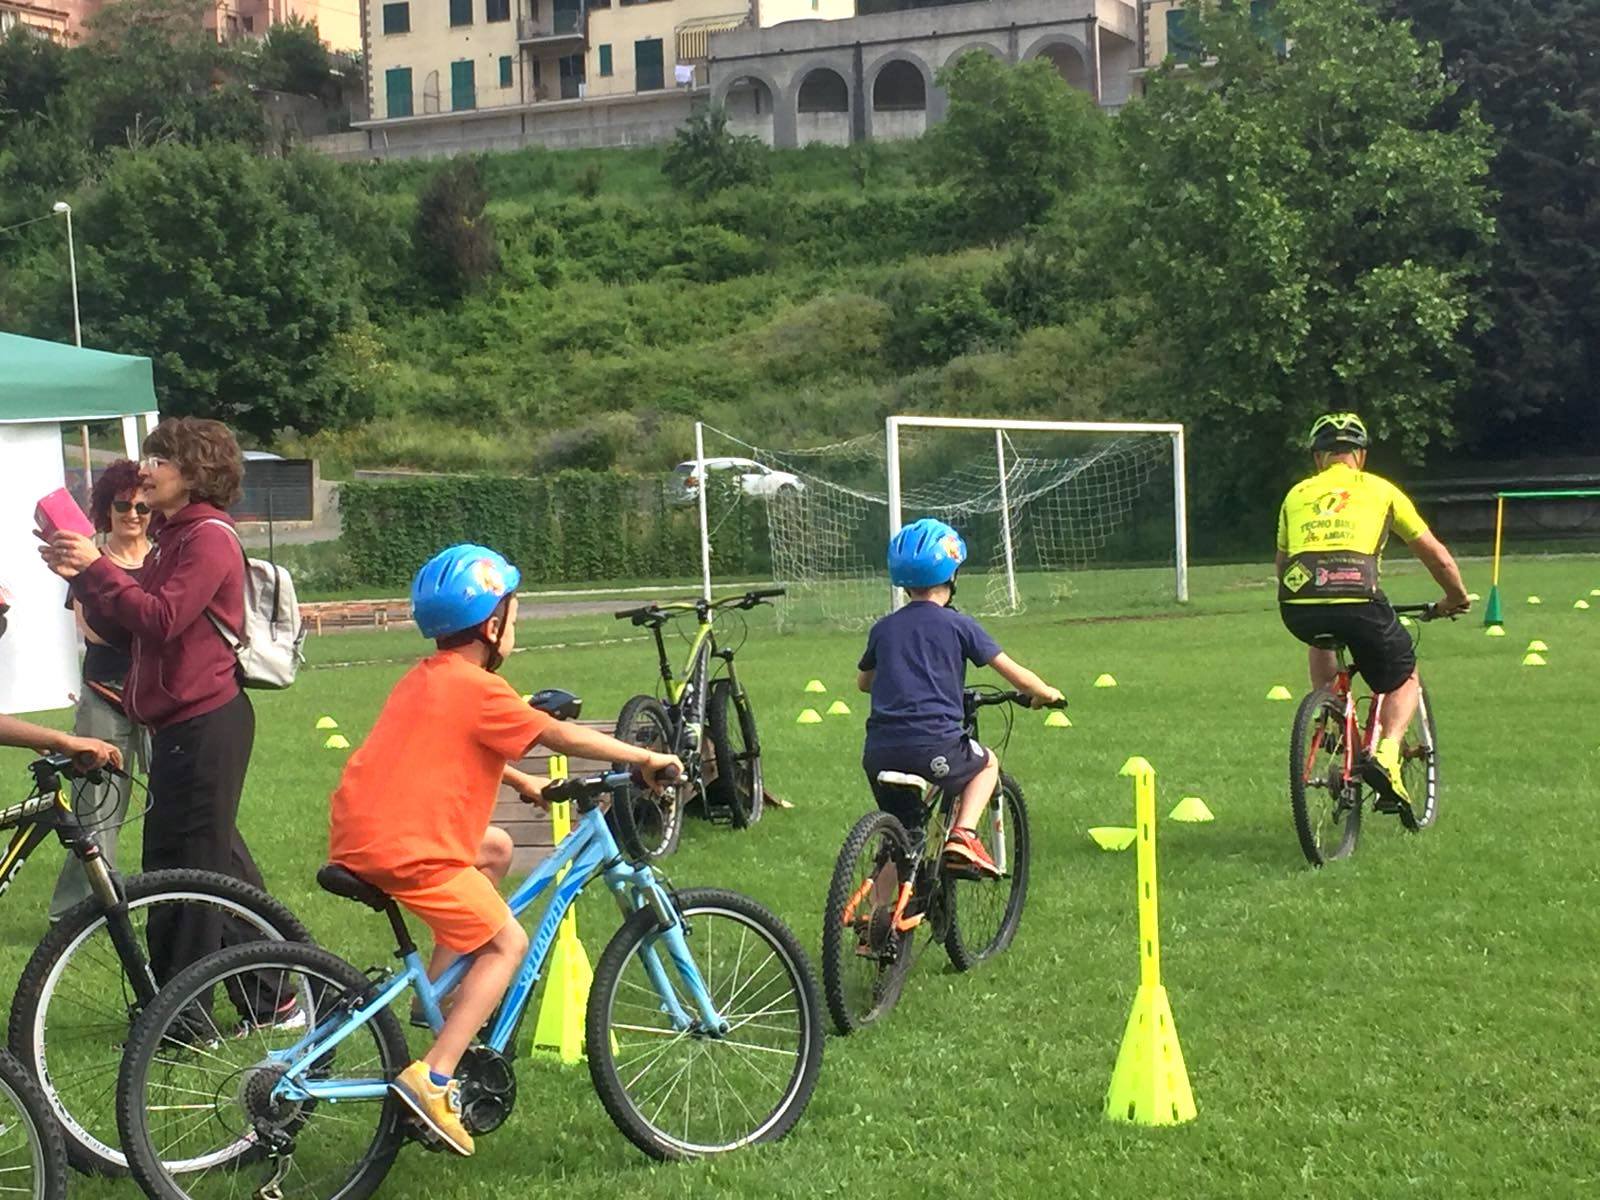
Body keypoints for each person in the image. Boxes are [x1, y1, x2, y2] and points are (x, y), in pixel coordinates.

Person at [328, 543, 682, 1157]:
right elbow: (555, 732)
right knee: (507, 943)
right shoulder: (481, 689)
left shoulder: (428, 678)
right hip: (412, 849)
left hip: (365, 833)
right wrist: (646, 757)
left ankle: (434, 993)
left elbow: (457, 743)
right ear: (492, 627)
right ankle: (434, 1078)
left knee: (492, 847)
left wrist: (525, 784)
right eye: (512, 615)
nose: (512, 626)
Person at [40, 418, 284, 1018]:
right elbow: (132, 621)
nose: (145, 470)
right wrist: (86, 578)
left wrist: (98, 568)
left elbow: (162, 618)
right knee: (204, 867)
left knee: (190, 879)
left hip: (207, 723)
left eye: (159, 461)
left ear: (194, 473)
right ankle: (274, 996)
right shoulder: (177, 536)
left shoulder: (208, 539)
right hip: (181, 727)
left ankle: (180, 1013)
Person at [1276, 412, 1471, 804]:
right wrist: (1456, 597)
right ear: (1360, 455)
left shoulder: (1295, 495)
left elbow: (1282, 564)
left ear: (1318, 458)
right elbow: (1436, 556)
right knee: (1403, 674)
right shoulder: (1381, 490)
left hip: (1297, 605)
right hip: (1360, 600)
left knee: (1323, 638)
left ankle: (1332, 716)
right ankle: (1385, 753)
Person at [856, 518, 1062, 880]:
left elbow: (864, 682)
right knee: (986, 764)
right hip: (934, 747)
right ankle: (964, 835)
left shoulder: (884, 628)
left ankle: (875, 926)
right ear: (951, 576)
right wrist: (1045, 693)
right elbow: (1013, 673)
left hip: (879, 752)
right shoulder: (959, 625)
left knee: (902, 837)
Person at [49, 460, 153, 920]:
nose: (134, 513)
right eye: (123, 504)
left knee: (174, 804)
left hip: (160, 699)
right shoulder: (89, 559)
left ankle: (179, 895)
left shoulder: (165, 557)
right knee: (97, 809)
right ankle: (77, 911)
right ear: (105, 509)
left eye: (143, 505)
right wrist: (147, 622)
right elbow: (94, 630)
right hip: (105, 695)